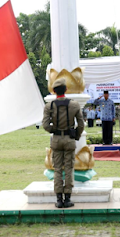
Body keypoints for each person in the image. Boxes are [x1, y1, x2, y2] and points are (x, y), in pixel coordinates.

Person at [42, 78, 84, 208]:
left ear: (54, 91)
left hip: (56, 139)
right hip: (69, 139)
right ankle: (68, 198)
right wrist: (75, 135)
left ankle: (59, 199)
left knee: (58, 169)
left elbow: (45, 124)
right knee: (69, 168)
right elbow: (81, 124)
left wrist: (54, 130)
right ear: (65, 90)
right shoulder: (75, 105)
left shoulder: (49, 106)